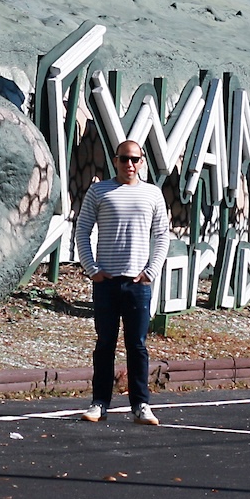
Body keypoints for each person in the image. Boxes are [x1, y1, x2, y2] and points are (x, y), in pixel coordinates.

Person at [73, 138, 171, 424]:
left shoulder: (152, 194)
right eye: (124, 159)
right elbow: (82, 231)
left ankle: (141, 404)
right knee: (105, 344)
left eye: (135, 159)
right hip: (106, 282)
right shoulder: (99, 191)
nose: (130, 164)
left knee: (137, 345)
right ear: (115, 160)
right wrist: (92, 269)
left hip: (137, 284)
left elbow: (162, 235)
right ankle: (99, 403)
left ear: (142, 162)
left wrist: (150, 271)